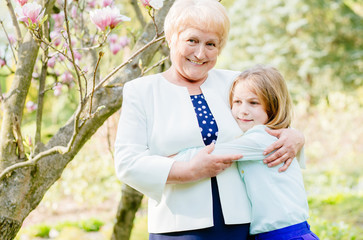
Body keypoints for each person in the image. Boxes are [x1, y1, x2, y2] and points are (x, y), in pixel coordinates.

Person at [114, 0, 305, 239]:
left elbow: (270, 120)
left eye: (211, 44)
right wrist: (188, 170)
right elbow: (127, 163)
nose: (200, 53)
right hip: (178, 225)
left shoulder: (236, 83)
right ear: (171, 38)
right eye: (192, 40)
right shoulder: (142, 91)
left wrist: (295, 135)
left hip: (240, 222)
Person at [174, 65, 319, 240]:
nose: (243, 110)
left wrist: (172, 158)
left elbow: (214, 153)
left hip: (286, 234)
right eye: (237, 102)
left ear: (272, 106)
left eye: (253, 103)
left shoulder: (260, 139)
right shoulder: (267, 136)